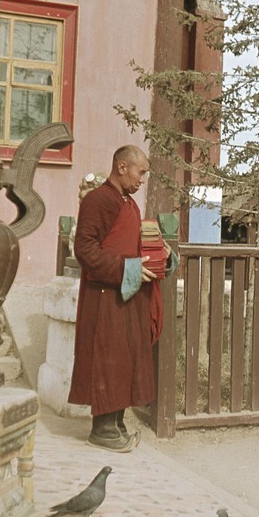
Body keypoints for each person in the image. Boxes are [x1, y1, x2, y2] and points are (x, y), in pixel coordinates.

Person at [68, 145, 177, 452]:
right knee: (108, 359)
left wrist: (160, 255)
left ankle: (115, 424)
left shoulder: (127, 203)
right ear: (122, 167)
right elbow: (85, 249)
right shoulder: (98, 200)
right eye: (140, 172)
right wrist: (125, 269)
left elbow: (133, 245)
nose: (142, 179)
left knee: (123, 360)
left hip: (127, 296)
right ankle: (101, 430)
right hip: (106, 295)